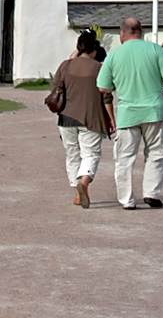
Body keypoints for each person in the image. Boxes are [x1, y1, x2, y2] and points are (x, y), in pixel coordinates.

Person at [95, 16, 163, 210]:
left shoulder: (114, 55)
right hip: (154, 110)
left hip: (128, 113)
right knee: (156, 153)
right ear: (141, 32)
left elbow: (102, 87)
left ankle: (126, 199)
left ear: (122, 34)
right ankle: (151, 192)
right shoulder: (155, 50)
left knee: (124, 158)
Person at [47, 32, 113, 208]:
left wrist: (74, 56)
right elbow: (107, 96)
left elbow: (54, 87)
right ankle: (83, 182)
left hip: (66, 118)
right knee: (90, 153)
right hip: (91, 117)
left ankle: (77, 191)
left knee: (72, 154)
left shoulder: (66, 66)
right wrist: (112, 119)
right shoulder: (99, 68)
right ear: (94, 49)